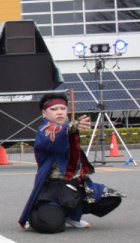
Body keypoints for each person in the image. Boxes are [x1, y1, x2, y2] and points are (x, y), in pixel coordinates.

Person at [19, 94, 124, 233]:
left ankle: (72, 215)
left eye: (63, 108)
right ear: (44, 113)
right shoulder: (45, 130)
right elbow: (55, 135)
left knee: (112, 198)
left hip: (76, 185)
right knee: (50, 226)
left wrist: (71, 128)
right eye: (54, 109)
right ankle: (37, 215)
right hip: (55, 188)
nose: (60, 112)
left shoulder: (68, 130)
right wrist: (72, 125)